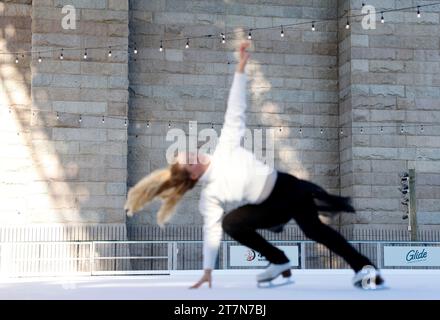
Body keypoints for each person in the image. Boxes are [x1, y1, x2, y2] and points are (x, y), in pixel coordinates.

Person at [124, 42, 385, 290]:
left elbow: (235, 109)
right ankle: (279, 261)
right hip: (267, 209)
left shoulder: (225, 146)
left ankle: (365, 268)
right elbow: (211, 232)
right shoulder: (210, 194)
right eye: (191, 159)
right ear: (192, 174)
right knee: (230, 223)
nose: (196, 154)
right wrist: (207, 271)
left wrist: (240, 69)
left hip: (289, 189)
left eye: (191, 152)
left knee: (315, 231)